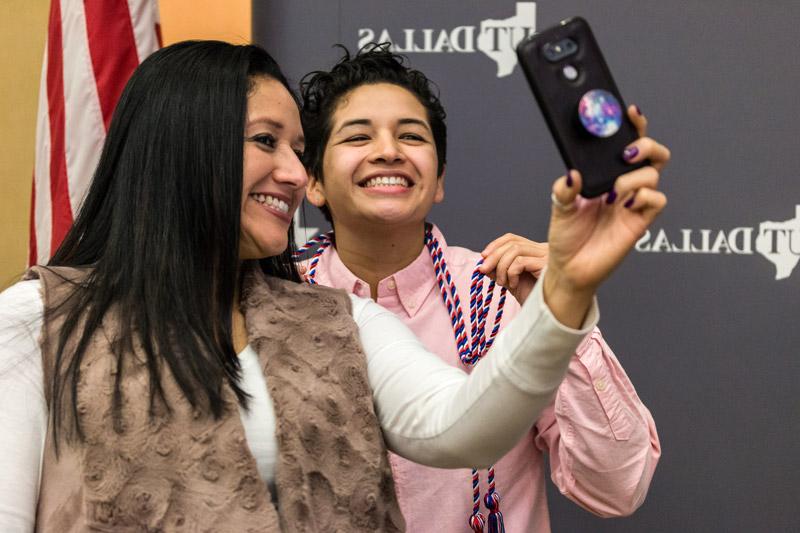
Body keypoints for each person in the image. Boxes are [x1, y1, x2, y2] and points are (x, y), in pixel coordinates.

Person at [0, 40, 663, 532]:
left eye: (412, 136)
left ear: (439, 179)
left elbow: (464, 429)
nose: (289, 170)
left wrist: (563, 293)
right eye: (271, 142)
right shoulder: (40, 318)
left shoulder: (354, 316)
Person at [299, 44, 667, 532]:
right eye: (358, 136)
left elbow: (618, 488)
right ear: (313, 181)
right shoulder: (275, 303)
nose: (388, 151)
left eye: (411, 135)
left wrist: (561, 309)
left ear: (439, 181)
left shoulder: (501, 295)